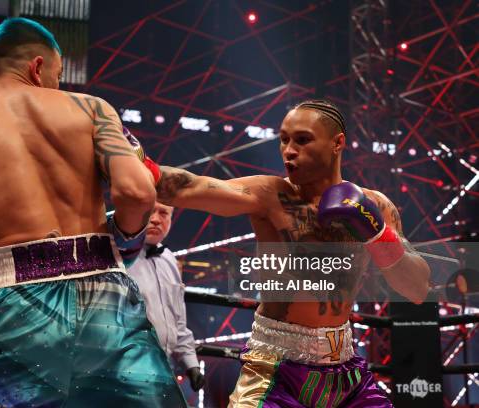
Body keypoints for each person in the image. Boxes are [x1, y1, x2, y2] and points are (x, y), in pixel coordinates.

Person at [0, 18, 186, 407]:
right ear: (38, 67)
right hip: (101, 296)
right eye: (58, 75)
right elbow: (135, 190)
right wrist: (125, 240)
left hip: (10, 299)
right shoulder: (89, 108)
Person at [153, 100, 431, 407]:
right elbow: (187, 187)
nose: (288, 150)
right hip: (274, 370)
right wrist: (126, 156)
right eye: (283, 139)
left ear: (337, 143)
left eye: (302, 139)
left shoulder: (375, 205)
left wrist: (377, 233)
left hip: (346, 373)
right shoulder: (269, 195)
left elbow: (417, 289)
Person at [127, 201, 205, 393]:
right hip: (124, 367)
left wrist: (191, 364)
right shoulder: (115, 256)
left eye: (163, 213)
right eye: (149, 212)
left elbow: (178, 320)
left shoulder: (170, 259)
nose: (155, 219)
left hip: (163, 368)